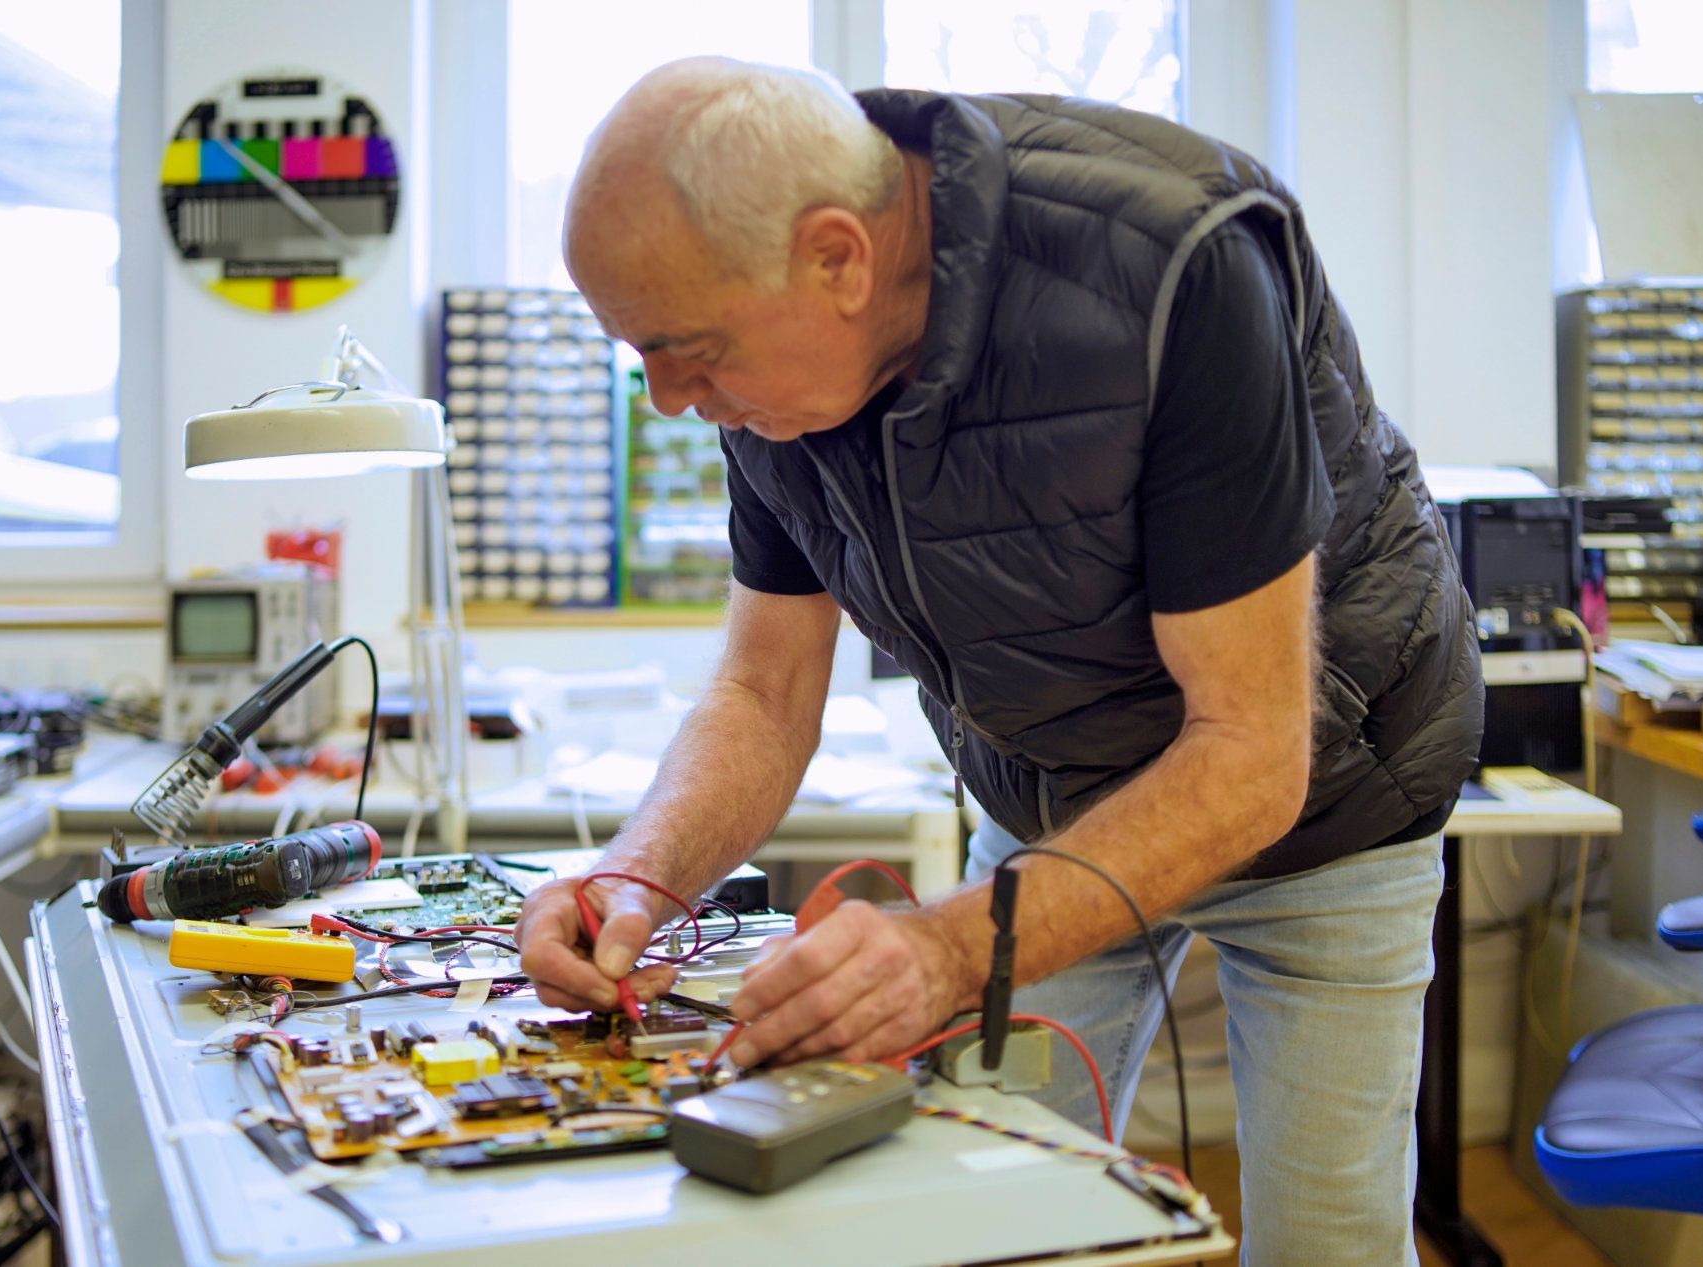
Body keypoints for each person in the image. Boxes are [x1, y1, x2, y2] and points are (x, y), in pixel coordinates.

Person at [514, 57, 1482, 1265]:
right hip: (1055, 796)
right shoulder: (769, 375)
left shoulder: (1172, 266)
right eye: (640, 356)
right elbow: (764, 693)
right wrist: (643, 877)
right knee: (988, 1217)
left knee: (1323, 1247)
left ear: (837, 258)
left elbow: (1248, 752)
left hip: (1325, 793)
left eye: (686, 350)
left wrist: (948, 946)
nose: (666, 400)